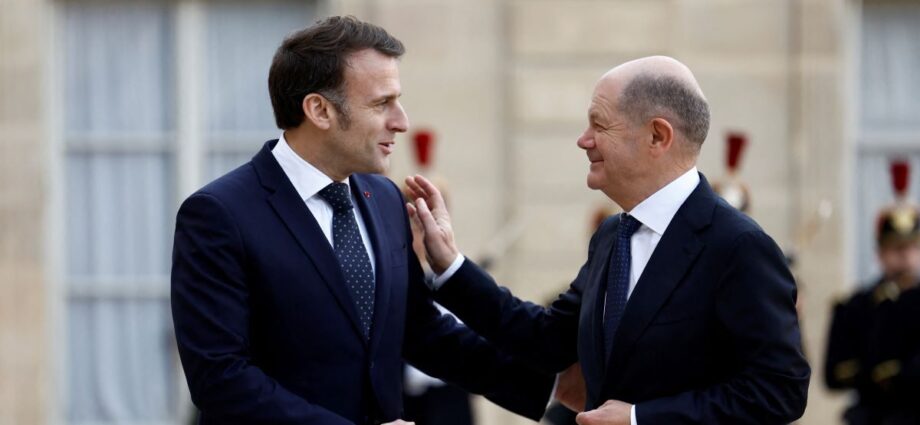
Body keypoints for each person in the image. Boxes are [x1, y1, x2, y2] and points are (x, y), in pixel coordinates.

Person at [170, 16, 553, 425]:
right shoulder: (219, 214)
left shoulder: (385, 198)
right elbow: (221, 379)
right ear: (319, 110)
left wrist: (551, 386)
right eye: (381, 104)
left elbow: (419, 331)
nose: (401, 121)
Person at [405, 55, 810, 425]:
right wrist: (451, 266)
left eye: (599, 125)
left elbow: (780, 390)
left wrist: (639, 419)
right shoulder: (613, 235)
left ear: (657, 136)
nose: (583, 140)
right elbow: (547, 340)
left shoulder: (738, 246)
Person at [825, 161, 920, 425]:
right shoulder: (857, 306)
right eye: (896, 248)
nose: (905, 256)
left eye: (911, 247)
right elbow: (834, 374)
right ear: (880, 253)